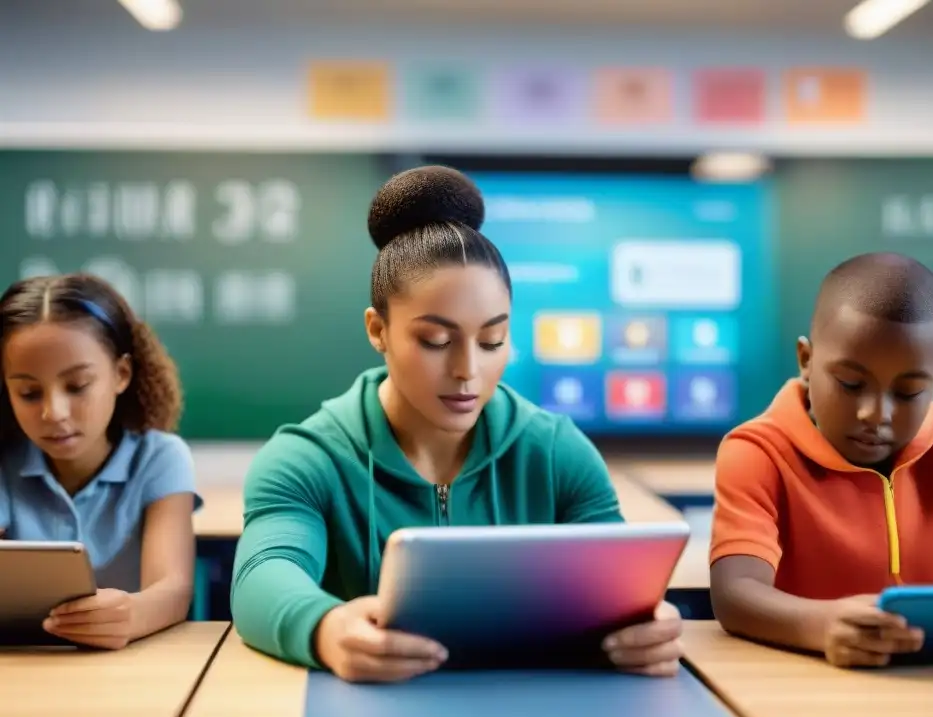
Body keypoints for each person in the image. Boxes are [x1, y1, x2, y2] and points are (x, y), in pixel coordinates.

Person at [232, 166, 684, 682]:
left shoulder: (556, 452)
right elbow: (262, 576)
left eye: (492, 341)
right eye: (436, 341)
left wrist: (644, 624)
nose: (468, 369)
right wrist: (326, 629)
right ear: (378, 330)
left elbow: (620, 588)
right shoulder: (307, 459)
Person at [710, 252, 933, 669]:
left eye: (909, 392)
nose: (876, 414)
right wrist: (822, 625)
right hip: (805, 683)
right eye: (851, 384)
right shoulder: (757, 451)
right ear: (806, 360)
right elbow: (735, 594)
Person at [0, 273, 200, 649]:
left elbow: (173, 589)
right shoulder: (4, 462)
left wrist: (133, 614)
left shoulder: (160, 457)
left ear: (121, 374)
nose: (54, 413)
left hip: (128, 664)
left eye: (77, 386)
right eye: (28, 392)